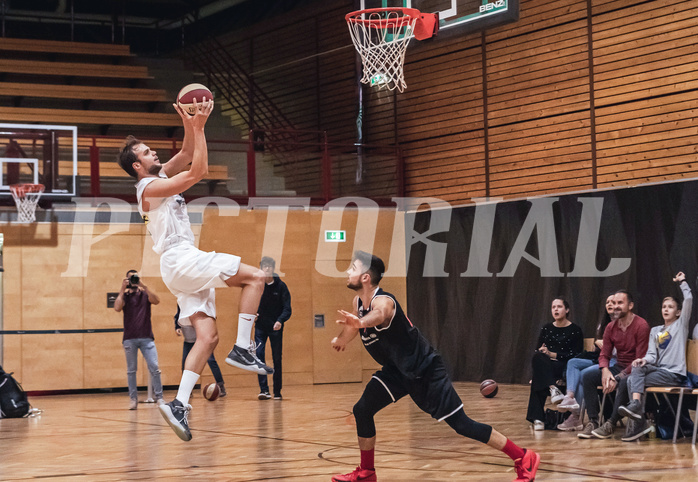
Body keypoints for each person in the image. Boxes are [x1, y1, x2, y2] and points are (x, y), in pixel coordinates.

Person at [117, 97, 272, 442]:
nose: (152, 153)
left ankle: (179, 404)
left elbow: (187, 153)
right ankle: (244, 347)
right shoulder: (150, 188)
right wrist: (200, 127)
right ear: (137, 167)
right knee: (256, 277)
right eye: (145, 152)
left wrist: (191, 122)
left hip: (180, 265)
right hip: (181, 258)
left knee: (207, 337)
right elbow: (198, 171)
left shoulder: (158, 176)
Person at [330, 251, 541, 482]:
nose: (348, 271)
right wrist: (342, 339)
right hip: (396, 371)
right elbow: (355, 326)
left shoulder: (384, 301)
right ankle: (367, 472)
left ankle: (523, 456)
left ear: (365, 277)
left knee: (462, 425)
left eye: (353, 268)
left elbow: (380, 315)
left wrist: (360, 322)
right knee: (362, 410)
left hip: (424, 369)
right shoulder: (358, 302)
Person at [617, 272, 693, 441]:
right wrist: (644, 360)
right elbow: (652, 355)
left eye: (670, 307)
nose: (666, 309)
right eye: (664, 306)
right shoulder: (655, 331)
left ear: (679, 312)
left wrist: (683, 283)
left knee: (632, 380)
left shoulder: (680, 326)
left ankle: (637, 419)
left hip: (673, 374)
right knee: (635, 370)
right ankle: (637, 412)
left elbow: (688, 301)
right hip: (659, 370)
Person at [576, 290, 650, 439]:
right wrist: (605, 370)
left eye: (620, 303)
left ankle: (611, 423)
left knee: (623, 381)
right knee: (587, 376)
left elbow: (640, 358)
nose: (615, 306)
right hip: (618, 365)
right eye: (614, 303)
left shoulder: (641, 325)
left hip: (636, 369)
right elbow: (604, 354)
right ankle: (593, 421)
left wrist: (617, 376)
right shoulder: (610, 327)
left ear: (630, 305)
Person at [557, 294, 616, 431]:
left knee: (584, 375)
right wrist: (597, 342)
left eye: (613, 302)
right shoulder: (604, 323)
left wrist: (607, 345)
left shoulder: (622, 323)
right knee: (573, 363)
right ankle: (569, 397)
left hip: (613, 361)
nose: (610, 304)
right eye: (607, 302)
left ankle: (577, 416)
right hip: (599, 358)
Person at [526, 298, 583, 430]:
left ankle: (537, 418)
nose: (556, 309)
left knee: (538, 379)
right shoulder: (546, 328)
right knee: (538, 357)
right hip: (547, 366)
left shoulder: (575, 330)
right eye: (553, 307)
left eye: (559, 307)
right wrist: (543, 352)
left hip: (565, 367)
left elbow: (577, 355)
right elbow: (538, 350)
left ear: (567, 310)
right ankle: (553, 388)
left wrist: (552, 354)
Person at [113, 269, 163, 410]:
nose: (133, 281)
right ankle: (133, 399)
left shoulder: (144, 294)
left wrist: (144, 285)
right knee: (131, 370)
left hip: (147, 337)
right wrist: (122, 290)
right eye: (130, 279)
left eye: (135, 278)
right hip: (130, 338)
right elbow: (117, 307)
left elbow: (157, 300)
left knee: (154, 367)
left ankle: (159, 398)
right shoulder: (125, 297)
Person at [255, 256, 292, 400]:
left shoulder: (281, 286)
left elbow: (287, 308)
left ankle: (277, 391)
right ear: (261, 268)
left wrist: (280, 320)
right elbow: (250, 303)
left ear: (273, 268)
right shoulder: (257, 285)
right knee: (259, 356)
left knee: (277, 358)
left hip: (275, 327)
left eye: (270, 266)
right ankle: (264, 390)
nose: (267, 269)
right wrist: (254, 314)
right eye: (265, 266)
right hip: (260, 327)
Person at [174, 305, 226, 397]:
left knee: (211, 361)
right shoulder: (182, 301)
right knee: (185, 363)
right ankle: (187, 390)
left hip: (201, 339)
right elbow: (178, 314)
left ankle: (221, 386)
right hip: (188, 340)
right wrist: (177, 326)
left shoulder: (200, 303)